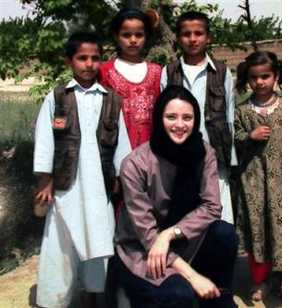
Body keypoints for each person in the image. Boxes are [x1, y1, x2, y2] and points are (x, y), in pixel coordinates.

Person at [107, 85, 239, 308]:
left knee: (224, 234)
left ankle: (217, 299)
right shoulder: (135, 164)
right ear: (159, 119)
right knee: (178, 296)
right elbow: (147, 236)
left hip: (184, 238)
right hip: (143, 247)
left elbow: (212, 206)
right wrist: (193, 276)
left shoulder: (203, 152)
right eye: (171, 117)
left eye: (187, 117)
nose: (180, 125)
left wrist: (170, 233)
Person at [33, 32, 131, 308]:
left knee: (98, 240)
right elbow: (44, 139)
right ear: (69, 61)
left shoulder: (112, 100)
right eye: (82, 58)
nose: (89, 64)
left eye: (95, 58)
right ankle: (54, 300)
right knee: (58, 245)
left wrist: (121, 177)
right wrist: (45, 180)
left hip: (99, 187)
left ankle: (93, 294)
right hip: (66, 186)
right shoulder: (58, 98)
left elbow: (122, 144)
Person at [234, 51, 282, 302]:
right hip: (253, 179)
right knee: (259, 225)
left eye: (266, 76)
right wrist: (248, 136)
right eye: (254, 78)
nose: (260, 82)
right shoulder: (242, 110)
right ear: (247, 79)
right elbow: (234, 140)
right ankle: (261, 279)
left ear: (276, 76)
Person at [160, 11, 237, 224]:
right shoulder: (169, 72)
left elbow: (230, 115)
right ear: (177, 38)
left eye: (198, 33)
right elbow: (162, 115)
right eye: (186, 34)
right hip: (179, 155)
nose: (192, 39)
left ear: (208, 37)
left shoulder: (221, 72)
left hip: (215, 153)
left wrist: (229, 160)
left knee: (219, 216)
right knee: (186, 214)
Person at [99, 8, 161, 150]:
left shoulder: (157, 72)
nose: (133, 40)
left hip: (152, 152)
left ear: (146, 36)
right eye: (126, 35)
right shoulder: (104, 72)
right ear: (116, 36)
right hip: (114, 150)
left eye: (139, 35)